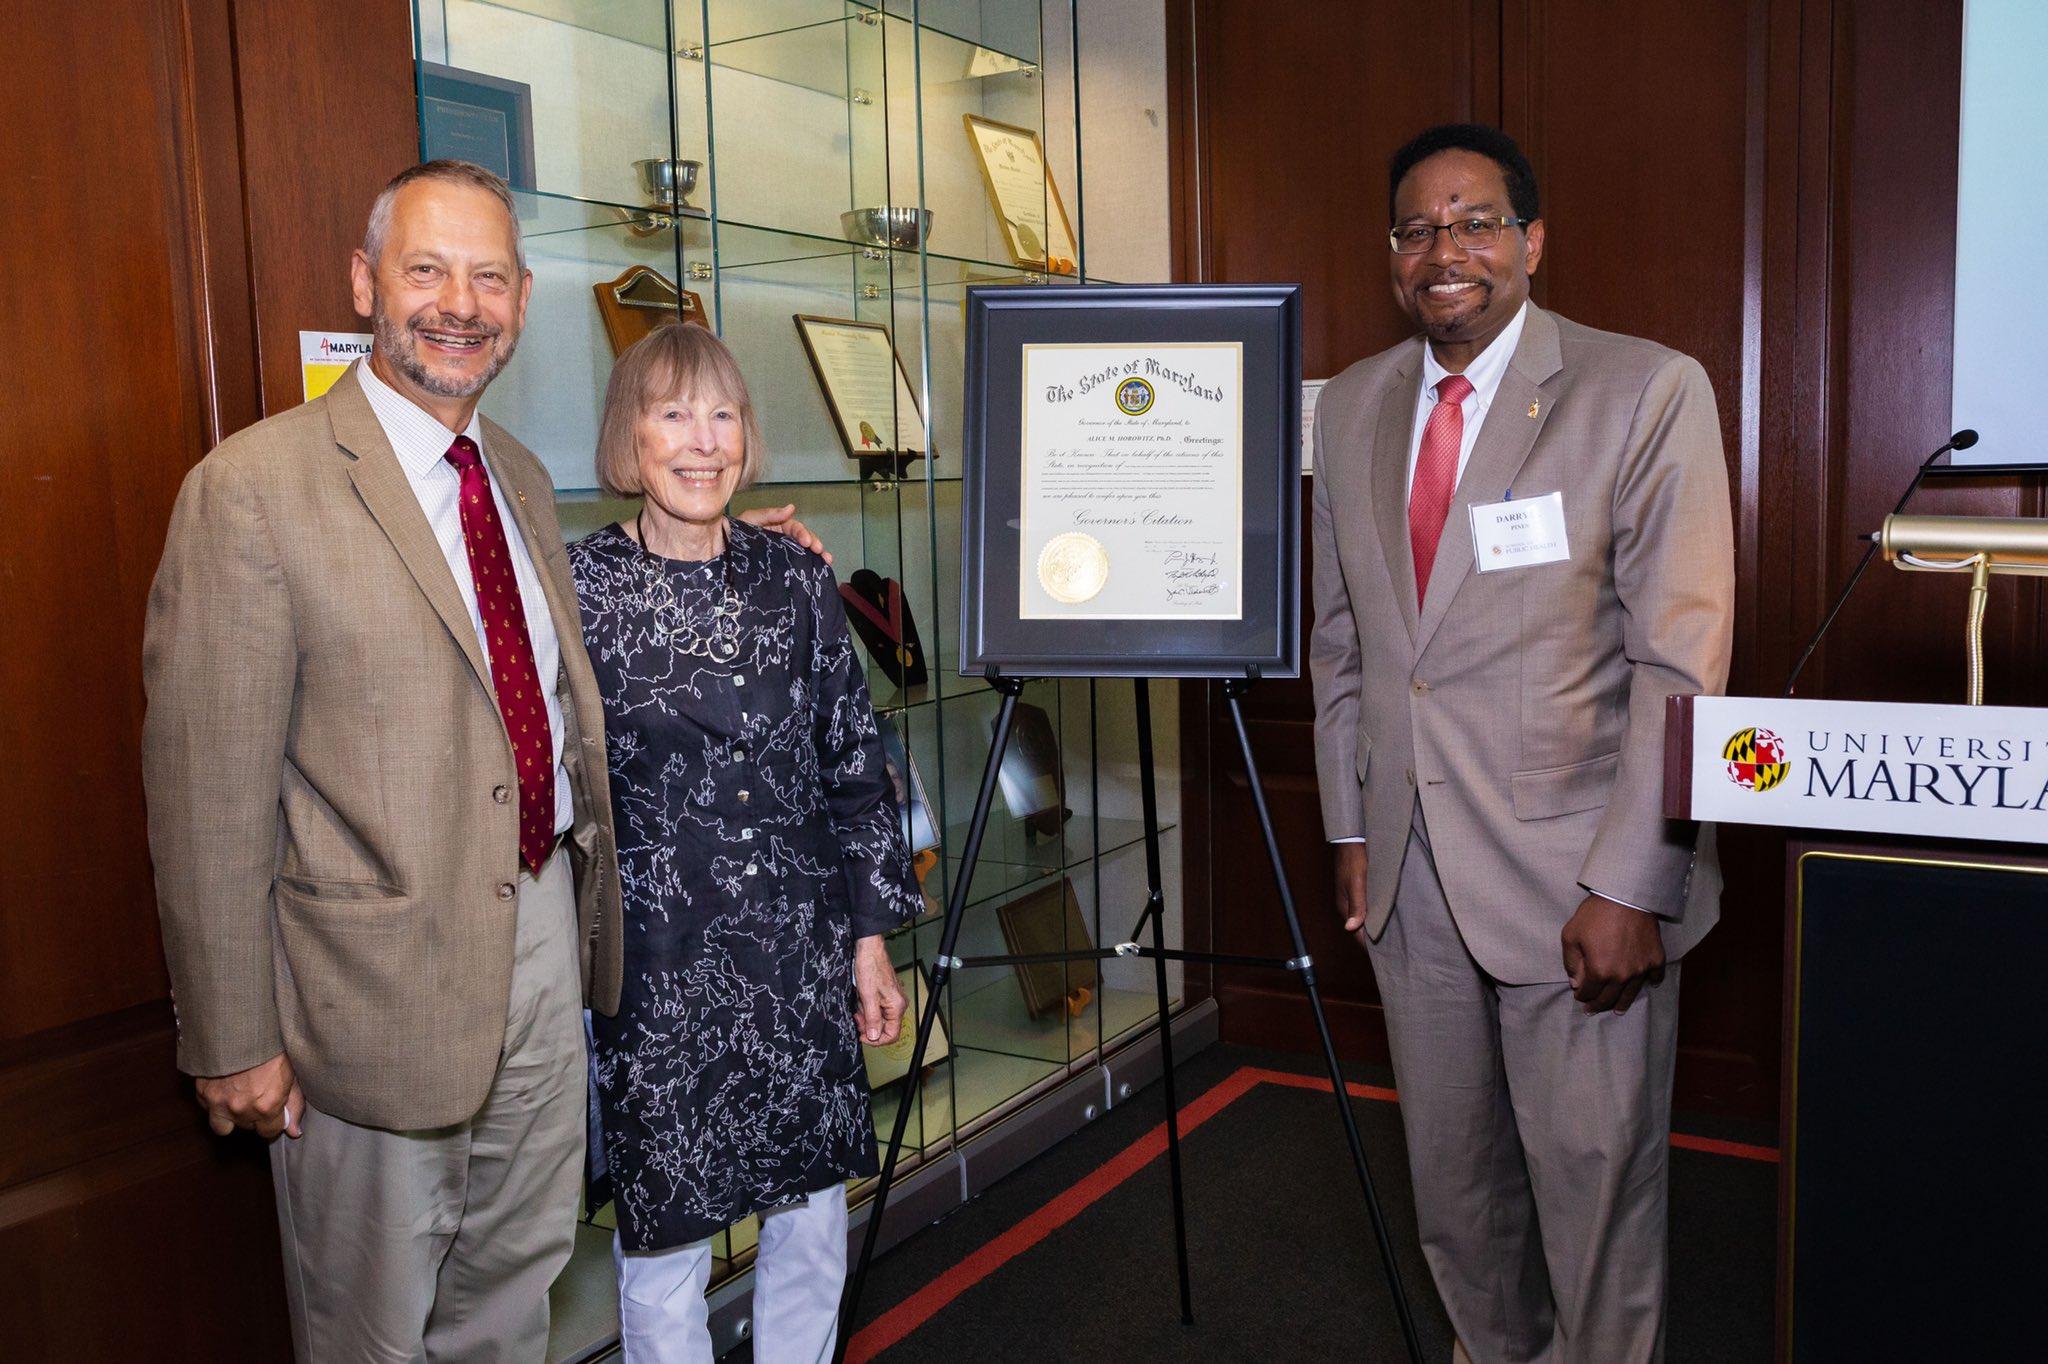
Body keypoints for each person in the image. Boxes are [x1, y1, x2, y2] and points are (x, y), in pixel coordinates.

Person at [141, 159, 823, 1362]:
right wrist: (233, 1034)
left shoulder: (508, 471)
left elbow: (585, 652)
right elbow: (206, 794)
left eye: (491, 277)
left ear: (517, 302)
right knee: (374, 1322)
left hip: (548, 957)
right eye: (427, 270)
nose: (460, 302)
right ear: (366, 283)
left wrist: (737, 551)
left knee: (512, 1295)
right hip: (373, 997)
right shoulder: (253, 490)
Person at [1309, 124, 1734, 1363]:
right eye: (1416, 228)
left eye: (1474, 220)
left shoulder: (1642, 388)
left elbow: (1678, 657)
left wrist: (1631, 879)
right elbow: (1348, 643)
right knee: (1454, 1197)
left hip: (1577, 877)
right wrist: (1350, 826)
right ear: (1391, 252)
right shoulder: (1348, 407)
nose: (1444, 250)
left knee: (1593, 1194)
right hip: (1407, 875)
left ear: (1531, 241)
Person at [568, 322, 921, 1364]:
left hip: (796, 953)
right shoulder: (574, 587)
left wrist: (869, 937)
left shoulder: (794, 577)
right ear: (628, 437)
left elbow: (856, 765)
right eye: (672, 411)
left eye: (722, 412)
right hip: (656, 969)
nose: (701, 438)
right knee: (665, 1235)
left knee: (811, 1219)